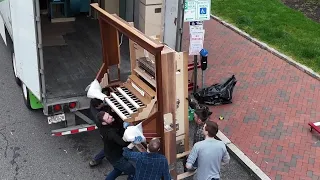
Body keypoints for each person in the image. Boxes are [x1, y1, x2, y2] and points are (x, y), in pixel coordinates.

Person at [96, 110, 136, 180]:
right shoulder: (110, 133)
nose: (111, 117)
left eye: (109, 115)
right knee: (133, 172)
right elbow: (123, 143)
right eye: (108, 118)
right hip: (117, 157)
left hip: (110, 154)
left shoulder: (102, 127)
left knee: (118, 170)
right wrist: (133, 140)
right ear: (104, 123)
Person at [89, 98, 111, 167]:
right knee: (109, 146)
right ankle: (96, 159)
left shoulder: (93, 105)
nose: (103, 104)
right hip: (105, 133)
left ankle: (96, 159)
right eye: (102, 103)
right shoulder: (99, 118)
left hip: (103, 132)